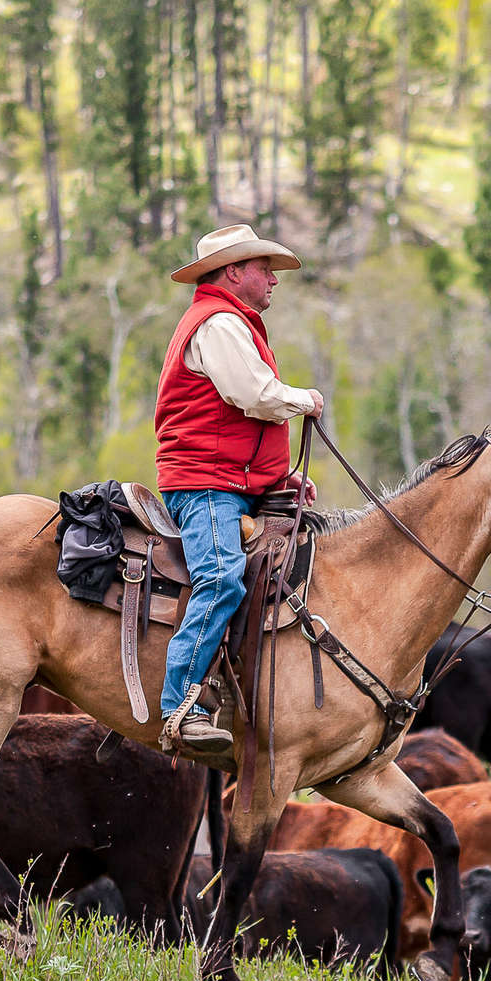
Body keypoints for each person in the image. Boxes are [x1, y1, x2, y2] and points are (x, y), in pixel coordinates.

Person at [154, 225, 325, 754]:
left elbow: (233, 421)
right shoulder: (220, 323)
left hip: (228, 482)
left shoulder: (229, 322)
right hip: (204, 486)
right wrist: (305, 399)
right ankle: (180, 706)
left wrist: (277, 478)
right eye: (264, 268)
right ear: (234, 273)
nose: (274, 279)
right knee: (222, 577)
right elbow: (253, 396)